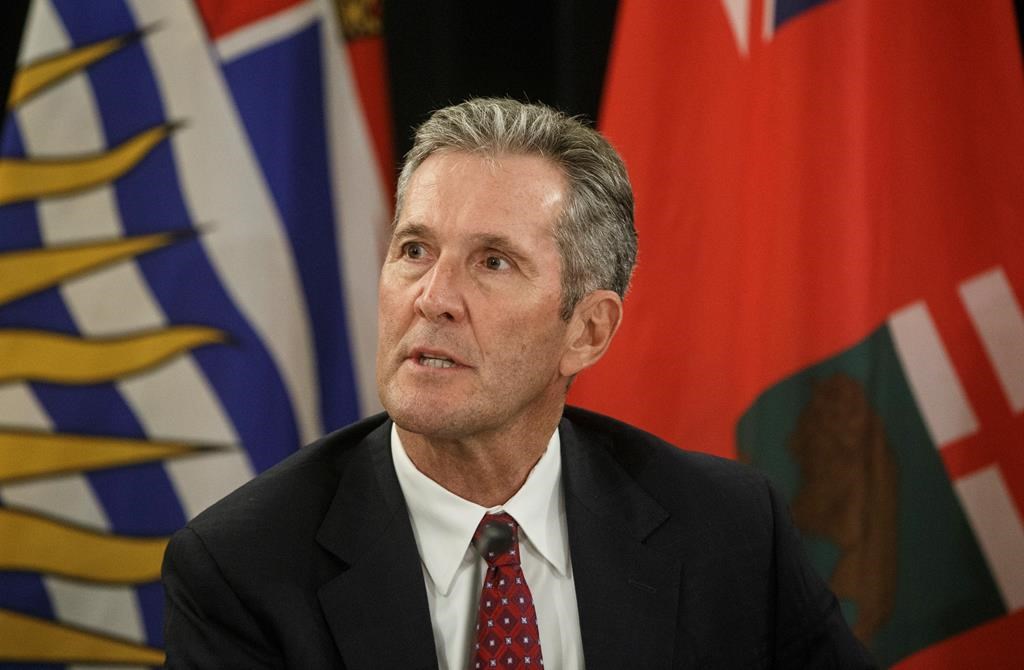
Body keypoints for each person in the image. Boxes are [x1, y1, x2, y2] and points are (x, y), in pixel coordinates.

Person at [162, 97, 875, 669]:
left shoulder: (726, 529)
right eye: (415, 250)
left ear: (587, 332)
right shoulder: (242, 568)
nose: (432, 296)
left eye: (493, 262)